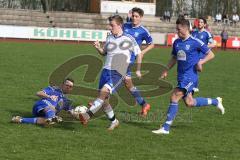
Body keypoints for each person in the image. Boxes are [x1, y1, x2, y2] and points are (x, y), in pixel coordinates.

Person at [152, 18, 225, 135]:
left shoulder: (195, 42)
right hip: (181, 76)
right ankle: (215, 101)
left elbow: (211, 54)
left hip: (190, 77)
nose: (177, 31)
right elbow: (174, 58)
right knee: (190, 102)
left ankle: (165, 128)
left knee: (174, 97)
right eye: (176, 29)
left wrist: (200, 62)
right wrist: (166, 69)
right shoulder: (176, 42)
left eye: (179, 29)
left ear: (186, 28)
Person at [78, 15, 142, 130]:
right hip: (105, 71)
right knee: (104, 101)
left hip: (118, 71)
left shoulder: (129, 39)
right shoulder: (109, 38)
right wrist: (98, 48)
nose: (110, 27)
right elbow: (104, 53)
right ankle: (114, 121)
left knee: (103, 93)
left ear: (119, 25)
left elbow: (139, 53)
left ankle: (87, 115)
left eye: (112, 25)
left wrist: (137, 69)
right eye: (109, 25)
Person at [123, 7, 154, 116]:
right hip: (119, 57)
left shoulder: (143, 31)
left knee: (112, 77)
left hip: (128, 60)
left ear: (141, 18)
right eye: (133, 16)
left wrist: (142, 52)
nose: (134, 18)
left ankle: (97, 102)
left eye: (136, 16)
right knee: (128, 84)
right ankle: (144, 104)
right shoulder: (125, 25)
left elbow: (152, 44)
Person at [11, 78, 76, 125]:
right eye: (67, 85)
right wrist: (49, 96)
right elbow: (38, 93)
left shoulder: (67, 101)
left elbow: (71, 112)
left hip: (45, 113)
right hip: (41, 106)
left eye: (70, 86)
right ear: (62, 85)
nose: (68, 87)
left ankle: (20, 120)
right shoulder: (53, 89)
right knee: (52, 108)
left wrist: (77, 114)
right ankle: (52, 117)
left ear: (71, 89)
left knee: (48, 121)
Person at [191, 17, 215, 92]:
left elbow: (213, 44)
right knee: (192, 69)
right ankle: (193, 85)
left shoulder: (206, 33)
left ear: (204, 24)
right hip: (193, 54)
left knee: (195, 68)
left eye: (201, 22)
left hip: (201, 54)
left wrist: (203, 47)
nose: (199, 23)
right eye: (198, 22)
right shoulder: (194, 33)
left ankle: (195, 86)